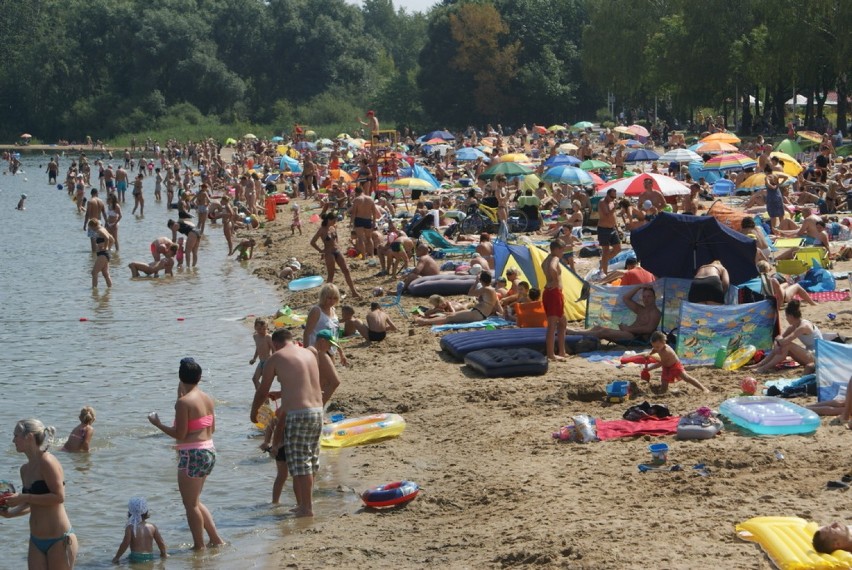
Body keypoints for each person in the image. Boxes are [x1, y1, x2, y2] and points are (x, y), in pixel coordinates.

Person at [147, 358, 224, 550]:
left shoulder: (183, 402)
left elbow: (179, 435)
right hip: (209, 451)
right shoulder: (207, 398)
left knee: (190, 505)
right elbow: (211, 428)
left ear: (180, 377)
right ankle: (215, 539)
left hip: (193, 454)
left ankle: (199, 546)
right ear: (200, 377)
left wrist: (157, 424)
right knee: (195, 501)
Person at [250, 329, 324, 515]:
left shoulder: (275, 358)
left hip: (299, 414)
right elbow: (306, 384)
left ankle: (306, 507)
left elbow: (262, 391)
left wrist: (254, 412)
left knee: (300, 462)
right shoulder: (309, 352)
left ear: (275, 345)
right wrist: (283, 393)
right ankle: (303, 503)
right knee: (311, 460)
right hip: (317, 411)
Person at [1, 419, 78, 568]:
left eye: (16, 435)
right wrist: (11, 512)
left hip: (59, 539)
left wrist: (24, 497)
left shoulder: (48, 461)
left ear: (29, 437)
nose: (13, 440)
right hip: (36, 540)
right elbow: (31, 504)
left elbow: (59, 497)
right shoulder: (24, 469)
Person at [567, 285, 661, 343]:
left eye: (649, 296)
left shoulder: (655, 313)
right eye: (644, 297)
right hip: (628, 332)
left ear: (654, 298)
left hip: (635, 337)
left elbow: (649, 329)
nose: (646, 299)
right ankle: (576, 333)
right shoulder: (641, 309)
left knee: (603, 332)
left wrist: (629, 329)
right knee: (598, 328)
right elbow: (626, 298)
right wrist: (639, 287)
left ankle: (574, 333)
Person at [753, 300, 822, 374]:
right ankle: (760, 365)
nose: (786, 319)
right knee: (782, 346)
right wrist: (777, 344)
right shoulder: (793, 327)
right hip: (808, 354)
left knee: (787, 345)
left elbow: (784, 341)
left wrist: (778, 341)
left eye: (786, 316)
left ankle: (764, 368)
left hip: (817, 357)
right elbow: (781, 338)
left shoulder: (803, 326)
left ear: (791, 316)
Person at [415, 271, 502, 326]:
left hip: (477, 314)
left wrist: (475, 282)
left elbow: (470, 293)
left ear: (481, 280)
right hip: (478, 313)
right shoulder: (493, 291)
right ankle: (425, 319)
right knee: (450, 315)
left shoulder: (486, 289)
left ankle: (424, 322)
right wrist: (504, 316)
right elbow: (498, 307)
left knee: (449, 319)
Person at [309, 213, 360, 298]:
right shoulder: (322, 230)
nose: (335, 222)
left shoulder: (333, 227)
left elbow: (336, 239)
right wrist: (320, 251)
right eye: (334, 220)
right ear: (328, 220)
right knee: (331, 275)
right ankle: (325, 296)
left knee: (346, 270)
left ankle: (353, 291)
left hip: (337, 251)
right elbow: (312, 242)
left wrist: (337, 246)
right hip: (329, 253)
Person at [643, 331, 709, 393]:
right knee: (664, 381)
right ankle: (663, 391)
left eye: (657, 346)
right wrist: (649, 353)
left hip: (675, 365)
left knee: (686, 378)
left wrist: (649, 368)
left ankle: (703, 388)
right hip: (666, 367)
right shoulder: (659, 347)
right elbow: (654, 350)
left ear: (664, 342)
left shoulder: (666, 351)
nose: (655, 348)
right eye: (653, 346)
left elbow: (660, 363)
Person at [112, 497, 168, 563]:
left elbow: (125, 543)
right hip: (149, 557)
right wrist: (164, 554)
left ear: (130, 512)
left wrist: (117, 557)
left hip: (135, 557)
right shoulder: (152, 527)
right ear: (146, 511)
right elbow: (160, 542)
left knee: (125, 561)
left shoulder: (130, 527)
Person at [542, 239, 568, 361]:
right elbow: (552, 267)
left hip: (548, 292)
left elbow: (544, 267)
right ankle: (551, 354)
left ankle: (562, 351)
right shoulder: (555, 258)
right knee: (552, 325)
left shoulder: (546, 258)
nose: (563, 253)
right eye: (562, 250)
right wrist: (556, 281)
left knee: (563, 322)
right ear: (557, 249)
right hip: (554, 293)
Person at [597, 187, 622, 274]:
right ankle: (604, 272)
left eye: (614, 197)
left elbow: (613, 217)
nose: (613, 199)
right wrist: (615, 207)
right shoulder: (602, 202)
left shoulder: (612, 202)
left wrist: (618, 229)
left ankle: (603, 262)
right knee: (605, 251)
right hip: (603, 229)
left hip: (612, 228)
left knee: (618, 249)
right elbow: (607, 215)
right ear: (607, 195)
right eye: (612, 197)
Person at [88, 219, 114, 288]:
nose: (91, 230)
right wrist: (108, 248)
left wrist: (105, 247)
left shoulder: (100, 230)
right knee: (105, 274)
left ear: (93, 226)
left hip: (103, 254)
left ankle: (94, 290)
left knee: (94, 272)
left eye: (90, 228)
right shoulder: (103, 229)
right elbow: (112, 240)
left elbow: (107, 238)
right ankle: (110, 290)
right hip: (105, 254)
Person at [250, 318, 274, 389]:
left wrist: (273, 361)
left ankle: (264, 397)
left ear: (267, 328)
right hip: (261, 361)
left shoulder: (268, 337)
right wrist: (254, 358)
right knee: (254, 379)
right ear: (255, 328)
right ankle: (263, 397)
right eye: (259, 329)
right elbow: (258, 348)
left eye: (264, 329)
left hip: (268, 361)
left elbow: (273, 349)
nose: (262, 331)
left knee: (264, 382)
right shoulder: (255, 337)